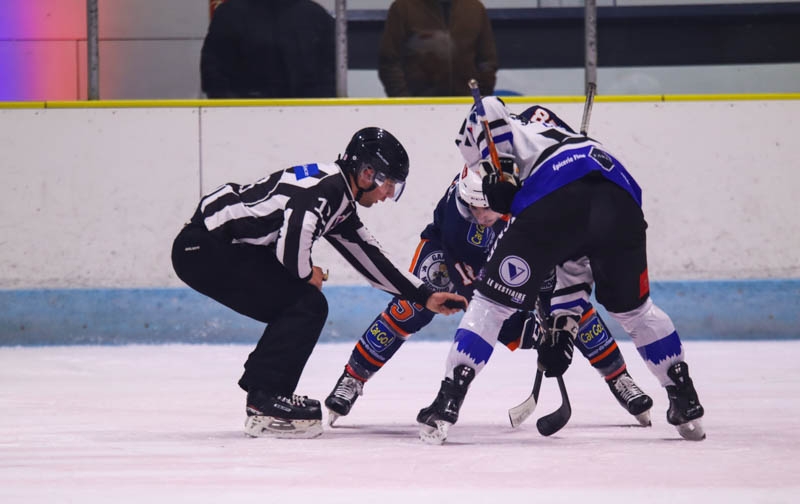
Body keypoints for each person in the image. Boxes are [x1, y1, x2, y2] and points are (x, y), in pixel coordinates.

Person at [417, 99, 706, 443]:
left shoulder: (510, 134)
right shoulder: (554, 136)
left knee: (491, 305)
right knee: (635, 310)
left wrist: (503, 171)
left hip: (552, 194)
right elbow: (575, 268)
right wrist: (563, 331)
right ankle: (684, 397)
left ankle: (449, 397)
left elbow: (489, 107)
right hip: (620, 197)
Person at [171, 127, 467, 439]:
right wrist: (306, 272)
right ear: (367, 173)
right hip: (204, 250)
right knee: (305, 304)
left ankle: (265, 394)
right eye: (388, 183)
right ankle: (266, 400)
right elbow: (293, 245)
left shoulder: (337, 192)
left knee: (300, 302)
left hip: (210, 246)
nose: (388, 194)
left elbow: (370, 257)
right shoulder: (327, 191)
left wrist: (425, 296)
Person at [324, 162, 653, 427]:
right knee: (410, 309)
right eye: (473, 208)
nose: (480, 217)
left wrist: (549, 294)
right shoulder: (457, 218)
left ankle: (619, 378)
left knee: (570, 308)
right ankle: (352, 379)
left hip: (521, 247)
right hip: (453, 255)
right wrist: (523, 332)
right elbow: (479, 298)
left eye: (486, 209)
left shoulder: (535, 201)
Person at [200, 0, 336, 98]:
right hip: (242, 117)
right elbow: (213, 73)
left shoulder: (314, 15)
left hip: (308, 114)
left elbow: (332, 72)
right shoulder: (230, 13)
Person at [378, 0, 498, 97]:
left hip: (467, 104)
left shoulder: (475, 8)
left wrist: (479, 98)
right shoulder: (402, 8)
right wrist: (404, 100)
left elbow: (487, 61)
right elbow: (389, 61)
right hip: (417, 105)